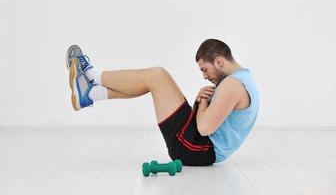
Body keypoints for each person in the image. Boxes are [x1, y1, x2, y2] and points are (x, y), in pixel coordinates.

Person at [65, 39, 259, 166]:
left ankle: (90, 75)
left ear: (219, 62)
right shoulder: (243, 79)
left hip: (197, 149)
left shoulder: (232, 85)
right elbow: (207, 124)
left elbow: (204, 128)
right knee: (155, 80)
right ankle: (90, 94)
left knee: (157, 76)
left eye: (205, 69)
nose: (204, 76)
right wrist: (202, 101)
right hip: (200, 146)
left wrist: (204, 103)